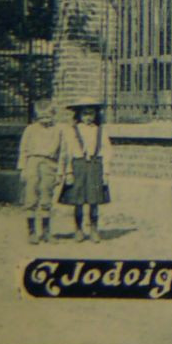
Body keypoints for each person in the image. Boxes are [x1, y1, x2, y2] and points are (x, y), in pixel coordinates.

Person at [57, 98, 110, 242]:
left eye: (91, 114)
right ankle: (78, 229)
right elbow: (66, 152)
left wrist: (105, 172)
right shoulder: (72, 131)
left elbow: (107, 151)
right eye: (85, 114)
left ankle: (94, 229)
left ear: (96, 115)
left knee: (94, 200)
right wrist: (68, 172)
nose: (88, 117)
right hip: (78, 166)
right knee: (78, 200)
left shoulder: (100, 131)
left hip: (95, 166)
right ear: (79, 115)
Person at [17, 98, 62, 243]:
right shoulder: (30, 130)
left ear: (53, 115)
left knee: (46, 196)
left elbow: (63, 152)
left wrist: (60, 171)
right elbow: (23, 150)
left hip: (50, 164)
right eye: (41, 117)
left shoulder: (58, 130)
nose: (45, 120)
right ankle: (32, 232)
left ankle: (46, 232)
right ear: (36, 117)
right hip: (32, 162)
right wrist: (23, 168)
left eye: (48, 117)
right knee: (31, 197)